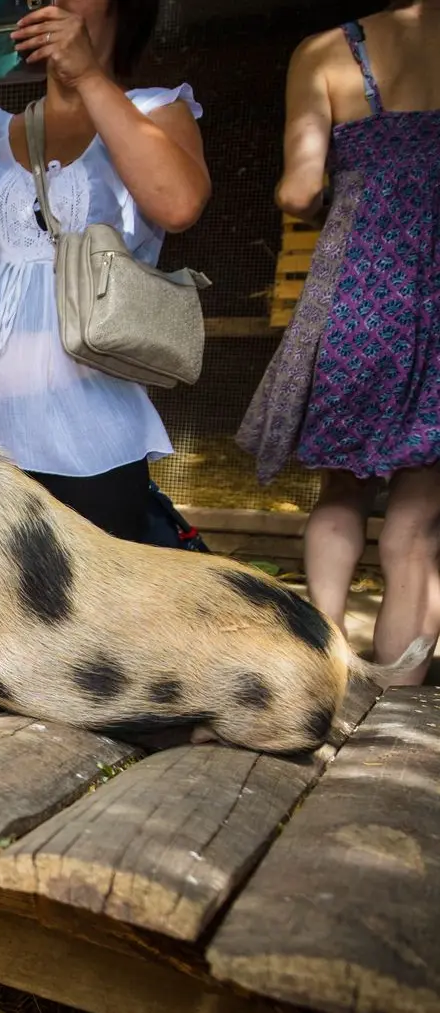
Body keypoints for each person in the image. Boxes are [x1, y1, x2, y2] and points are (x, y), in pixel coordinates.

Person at [0, 0, 209, 544]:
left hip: (86, 431)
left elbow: (178, 203)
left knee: (85, 592)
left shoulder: (155, 110)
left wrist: (88, 75)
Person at [239, 0, 439, 684]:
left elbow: (299, 191)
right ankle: (402, 696)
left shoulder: (327, 51)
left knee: (341, 491)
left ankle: (320, 673)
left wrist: (351, 189)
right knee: (417, 524)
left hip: (361, 291)